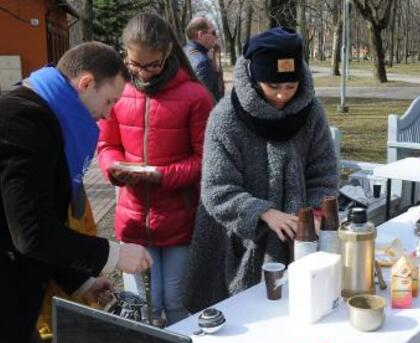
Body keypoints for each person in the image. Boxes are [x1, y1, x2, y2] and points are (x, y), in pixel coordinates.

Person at [0, 41, 152, 343]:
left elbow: (41, 221)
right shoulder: (21, 121)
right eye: (109, 101)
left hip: (18, 307)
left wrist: (81, 280)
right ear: (85, 83)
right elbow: (33, 234)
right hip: (5, 307)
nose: (109, 114)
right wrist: (114, 254)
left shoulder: (49, 118)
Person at [183, 27, 338, 312]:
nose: (282, 96)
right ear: (255, 80)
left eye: (290, 87)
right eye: (273, 87)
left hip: (299, 241)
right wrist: (262, 212)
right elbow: (216, 189)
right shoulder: (225, 117)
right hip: (236, 243)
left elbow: (324, 173)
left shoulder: (311, 112)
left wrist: (314, 214)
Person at [98, 13, 213, 326]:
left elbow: (205, 161)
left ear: (168, 54)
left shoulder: (195, 96)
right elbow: (106, 145)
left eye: (153, 65)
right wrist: (113, 168)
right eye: (135, 64)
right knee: (144, 308)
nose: (143, 73)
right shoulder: (117, 90)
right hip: (133, 218)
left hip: (179, 218)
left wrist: (161, 175)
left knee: (175, 302)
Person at [184, 16, 224, 102]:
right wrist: (217, 56)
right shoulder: (202, 63)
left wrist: (215, 53)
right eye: (213, 33)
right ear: (200, 35)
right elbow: (216, 97)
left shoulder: (184, 51)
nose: (216, 37)